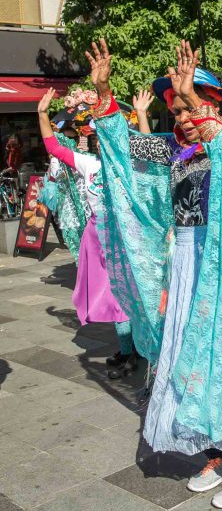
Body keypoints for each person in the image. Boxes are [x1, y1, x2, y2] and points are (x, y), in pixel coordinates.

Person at [89, 39, 222, 509]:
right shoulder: (171, 149)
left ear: (211, 108)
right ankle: (215, 453)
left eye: (190, 105)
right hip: (187, 264)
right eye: (175, 109)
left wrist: (194, 99)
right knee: (191, 361)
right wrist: (104, 94)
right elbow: (121, 147)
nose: (182, 117)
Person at [37, 88, 143, 379]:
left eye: (106, 138)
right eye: (97, 139)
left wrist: (143, 115)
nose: (101, 144)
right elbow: (55, 149)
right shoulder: (89, 163)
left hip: (127, 236)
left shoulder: (132, 166)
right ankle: (128, 349)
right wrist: (42, 115)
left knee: (126, 297)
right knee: (112, 297)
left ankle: (135, 351)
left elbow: (149, 147)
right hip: (97, 236)